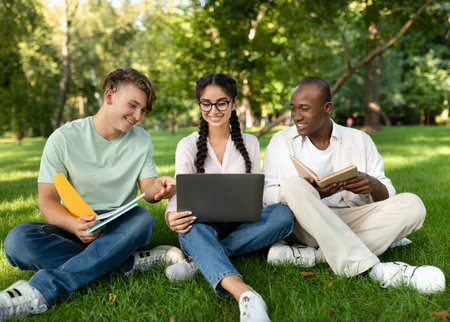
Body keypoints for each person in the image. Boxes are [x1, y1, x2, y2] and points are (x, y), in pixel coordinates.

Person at [0, 68, 185, 320]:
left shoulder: (141, 140)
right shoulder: (63, 138)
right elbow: (47, 201)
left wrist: (161, 187)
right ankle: (127, 264)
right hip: (74, 225)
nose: (137, 116)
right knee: (17, 240)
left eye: (143, 110)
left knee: (143, 219)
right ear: (109, 96)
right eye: (132, 106)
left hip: (120, 225)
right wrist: (73, 224)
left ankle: (40, 291)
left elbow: (149, 191)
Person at [263, 76, 445, 294]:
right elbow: (268, 197)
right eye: (293, 109)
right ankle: (375, 270)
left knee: (413, 205)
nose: (296, 116)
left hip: (351, 218)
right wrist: (312, 194)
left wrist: (373, 186)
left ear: (326, 107)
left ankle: (314, 256)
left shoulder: (360, 140)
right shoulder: (280, 142)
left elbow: (387, 195)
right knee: (292, 185)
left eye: (304, 109)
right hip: (305, 226)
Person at [164, 73, 294, 322]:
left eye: (221, 102)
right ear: (200, 104)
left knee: (284, 215)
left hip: (242, 224)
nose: (214, 110)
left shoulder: (251, 143)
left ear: (233, 104)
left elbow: (258, 192)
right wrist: (171, 217)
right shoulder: (187, 145)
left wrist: (263, 208)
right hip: (201, 226)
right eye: (206, 103)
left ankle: (200, 261)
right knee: (190, 230)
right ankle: (246, 295)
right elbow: (180, 194)